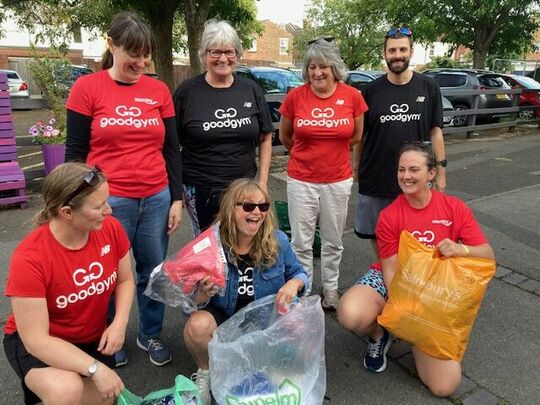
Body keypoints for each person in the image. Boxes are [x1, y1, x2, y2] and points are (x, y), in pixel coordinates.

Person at [65, 11, 183, 367]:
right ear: (111, 44)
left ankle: (149, 334)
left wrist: (176, 197)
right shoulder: (87, 88)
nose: (142, 62)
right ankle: (108, 336)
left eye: (147, 55)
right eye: (135, 54)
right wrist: (72, 202)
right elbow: (74, 152)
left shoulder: (159, 89)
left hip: (156, 196)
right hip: (107, 201)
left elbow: (171, 148)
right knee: (106, 273)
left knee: (152, 270)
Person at [338, 143, 494, 396]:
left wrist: (460, 249)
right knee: (350, 313)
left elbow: (487, 254)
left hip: (435, 291)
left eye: (414, 169)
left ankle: (415, 336)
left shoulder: (454, 208)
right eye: (401, 170)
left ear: (431, 173)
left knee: (444, 387)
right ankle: (380, 334)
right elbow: (390, 270)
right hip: (396, 281)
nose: (406, 176)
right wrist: (404, 313)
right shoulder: (389, 215)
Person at [3, 163, 134, 405]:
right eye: (98, 206)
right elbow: (37, 340)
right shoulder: (30, 258)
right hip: (42, 342)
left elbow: (125, 280)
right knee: (66, 391)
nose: (109, 211)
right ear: (66, 212)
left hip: (89, 336)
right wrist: (96, 368)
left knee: (106, 397)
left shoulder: (110, 229)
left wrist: (119, 323)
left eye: (107, 201)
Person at [183, 179, 309, 405]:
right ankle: (205, 371)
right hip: (224, 318)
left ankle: (269, 370)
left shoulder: (277, 240)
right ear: (231, 208)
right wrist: (200, 295)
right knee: (196, 326)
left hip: (263, 318)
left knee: (300, 323)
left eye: (263, 206)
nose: (257, 212)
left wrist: (293, 284)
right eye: (248, 206)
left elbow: (300, 273)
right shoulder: (211, 243)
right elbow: (186, 300)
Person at [278, 38, 368, 308]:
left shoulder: (352, 96)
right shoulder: (296, 96)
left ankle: (331, 290)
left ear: (335, 69)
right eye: (312, 67)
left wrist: (331, 153)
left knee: (333, 240)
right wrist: (308, 155)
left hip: (337, 180)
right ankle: (302, 290)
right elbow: (285, 136)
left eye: (323, 67)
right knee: (301, 242)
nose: (317, 72)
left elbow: (356, 136)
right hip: (301, 180)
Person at [173, 19, 273, 236]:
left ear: (237, 54)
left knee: (243, 242)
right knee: (207, 247)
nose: (223, 58)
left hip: (243, 186)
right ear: (204, 55)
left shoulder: (251, 89)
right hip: (200, 188)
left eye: (229, 51)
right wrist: (175, 192)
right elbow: (172, 145)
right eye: (215, 52)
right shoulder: (187, 92)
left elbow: (265, 136)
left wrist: (263, 183)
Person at [353, 27, 447, 258]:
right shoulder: (371, 91)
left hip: (415, 176)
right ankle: (389, 275)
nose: (397, 55)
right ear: (384, 54)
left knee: (417, 232)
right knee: (378, 233)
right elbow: (359, 136)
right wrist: (356, 168)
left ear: (411, 52)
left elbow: (436, 132)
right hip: (377, 176)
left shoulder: (428, 87)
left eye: (402, 49)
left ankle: (411, 280)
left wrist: (441, 173)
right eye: (392, 50)